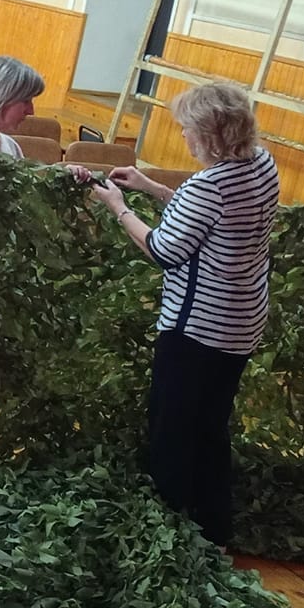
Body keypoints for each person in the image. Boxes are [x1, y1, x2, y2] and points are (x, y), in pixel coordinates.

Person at [88, 82, 280, 548]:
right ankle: (213, 529)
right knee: (211, 426)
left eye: (187, 129)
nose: (183, 137)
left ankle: (168, 530)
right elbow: (216, 224)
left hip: (198, 326)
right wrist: (154, 188)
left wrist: (118, 206)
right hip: (242, 320)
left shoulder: (210, 184)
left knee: (172, 429)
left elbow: (163, 249)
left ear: (210, 135)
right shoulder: (261, 163)